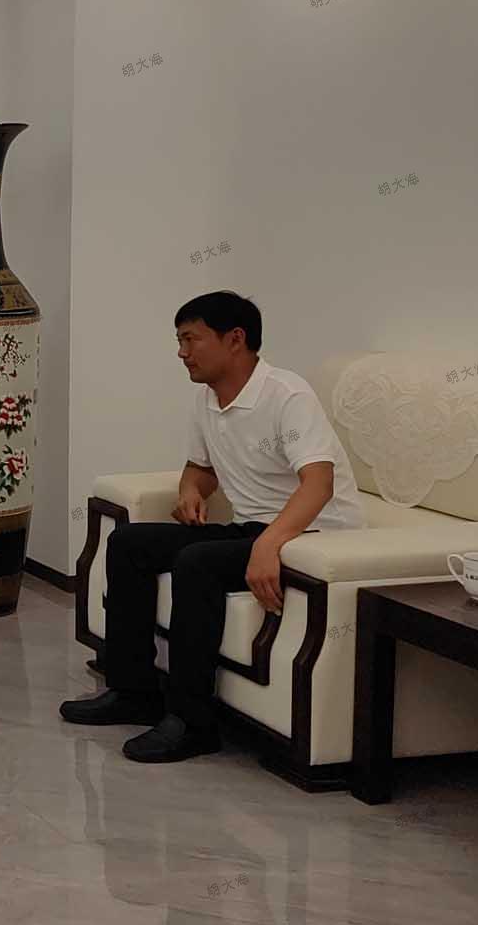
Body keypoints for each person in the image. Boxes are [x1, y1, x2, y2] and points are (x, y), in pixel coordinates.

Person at [61, 292, 361, 762]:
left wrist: (270, 543)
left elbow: (319, 484)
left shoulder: (287, 395)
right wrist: (190, 491)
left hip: (313, 538)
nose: (182, 352)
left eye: (191, 339)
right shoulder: (208, 398)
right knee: (129, 543)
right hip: (250, 528)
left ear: (235, 339)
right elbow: (200, 469)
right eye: (179, 341)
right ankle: (133, 691)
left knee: (197, 561)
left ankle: (193, 723)